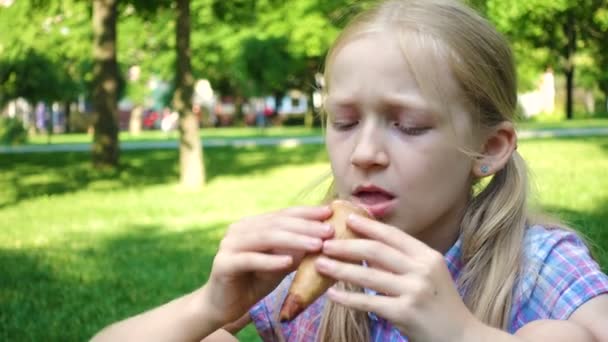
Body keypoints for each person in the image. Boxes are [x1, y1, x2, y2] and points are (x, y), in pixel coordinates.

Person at [91, 0, 608, 341]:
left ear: (488, 149)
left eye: (407, 126)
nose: (364, 153)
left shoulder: (534, 262)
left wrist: (463, 333)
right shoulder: (311, 261)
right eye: (344, 121)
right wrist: (207, 305)